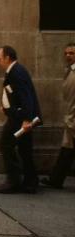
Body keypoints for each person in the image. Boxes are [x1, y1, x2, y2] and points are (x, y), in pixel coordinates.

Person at [0, 45, 42, 194]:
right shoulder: (15, 71)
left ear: (7, 58)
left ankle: (13, 181)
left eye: (0, 59)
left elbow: (26, 97)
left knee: (5, 144)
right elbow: (16, 95)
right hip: (19, 116)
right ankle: (31, 181)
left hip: (20, 119)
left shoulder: (16, 72)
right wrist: (6, 108)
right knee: (24, 149)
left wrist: (27, 120)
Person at [42, 42, 75, 189]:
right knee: (67, 150)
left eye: (71, 53)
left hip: (73, 119)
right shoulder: (69, 70)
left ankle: (56, 179)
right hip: (70, 118)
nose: (68, 55)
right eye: (66, 53)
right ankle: (56, 179)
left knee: (67, 149)